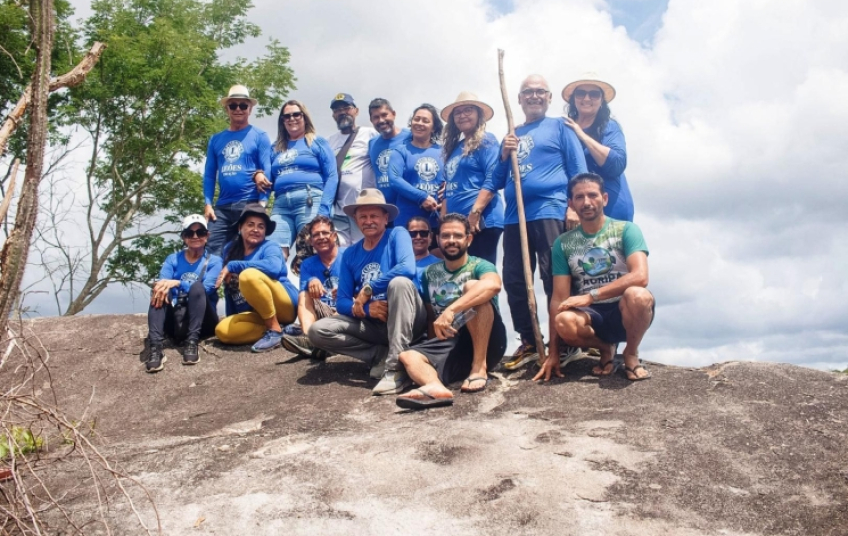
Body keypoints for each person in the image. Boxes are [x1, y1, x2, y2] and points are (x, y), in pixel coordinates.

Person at [494, 75, 588, 370]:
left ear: (548, 98)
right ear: (519, 99)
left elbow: (578, 169)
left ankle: (567, 341)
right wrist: (503, 153)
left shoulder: (560, 127)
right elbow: (497, 179)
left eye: (540, 92)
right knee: (515, 279)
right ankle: (530, 341)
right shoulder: (512, 132)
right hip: (515, 216)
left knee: (554, 277)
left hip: (550, 210)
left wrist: (573, 205)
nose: (534, 96)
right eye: (528, 92)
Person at [534, 173, 653, 383]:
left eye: (592, 195)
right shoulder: (563, 243)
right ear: (570, 204)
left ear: (604, 198)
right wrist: (553, 353)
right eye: (579, 197)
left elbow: (640, 276)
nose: (586, 202)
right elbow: (558, 298)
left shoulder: (626, 229)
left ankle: (631, 353)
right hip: (592, 317)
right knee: (564, 320)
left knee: (639, 295)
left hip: (624, 309)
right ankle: (605, 349)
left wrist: (592, 296)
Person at [308, 189, 426, 396]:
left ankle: (396, 368)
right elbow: (343, 302)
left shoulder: (397, 235)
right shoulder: (351, 254)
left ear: (385, 217)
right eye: (363, 216)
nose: (368, 221)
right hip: (375, 325)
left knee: (399, 283)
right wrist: (368, 309)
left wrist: (368, 290)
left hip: (407, 319)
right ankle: (378, 355)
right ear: (356, 219)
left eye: (374, 216)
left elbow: (408, 269)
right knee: (318, 330)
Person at [396, 213, 507, 409]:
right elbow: (432, 317)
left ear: (469, 239)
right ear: (437, 239)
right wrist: (431, 349)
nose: (451, 241)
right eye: (446, 236)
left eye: (457, 235)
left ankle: (479, 367)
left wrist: (452, 310)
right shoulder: (430, 273)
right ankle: (435, 387)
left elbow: (493, 285)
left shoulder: (480, 265)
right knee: (408, 356)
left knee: (473, 287)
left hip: (486, 338)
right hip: (451, 343)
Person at [257, 100, 339, 259]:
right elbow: (266, 181)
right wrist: (261, 205)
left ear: (304, 117)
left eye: (296, 114)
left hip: (309, 200)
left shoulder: (317, 142)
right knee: (273, 252)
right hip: (281, 205)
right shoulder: (275, 148)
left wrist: (323, 209)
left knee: (312, 252)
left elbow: (332, 176)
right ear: (282, 121)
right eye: (286, 116)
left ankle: (318, 284)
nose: (291, 118)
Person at [214, 204, 299, 353]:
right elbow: (230, 290)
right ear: (240, 228)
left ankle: (274, 331)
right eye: (250, 225)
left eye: (261, 226)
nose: (255, 229)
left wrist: (234, 265)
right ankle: (283, 330)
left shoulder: (270, 246)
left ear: (265, 231)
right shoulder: (230, 249)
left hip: (284, 304)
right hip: (258, 313)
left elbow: (273, 267)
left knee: (248, 275)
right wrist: (235, 319)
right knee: (222, 330)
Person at [144, 215, 223, 373]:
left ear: (207, 236)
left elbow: (207, 289)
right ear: (184, 237)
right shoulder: (173, 259)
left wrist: (179, 283)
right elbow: (163, 282)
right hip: (177, 317)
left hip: (203, 319)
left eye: (200, 232)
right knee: (159, 290)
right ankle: (155, 348)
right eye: (190, 233)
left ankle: (192, 342)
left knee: (198, 288)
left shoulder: (214, 261)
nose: (195, 237)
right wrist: (165, 286)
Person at [203, 85, 272, 255]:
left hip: (249, 203)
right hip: (222, 206)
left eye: (243, 105)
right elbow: (210, 174)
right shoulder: (216, 139)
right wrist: (208, 204)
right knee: (211, 249)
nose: (238, 109)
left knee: (248, 250)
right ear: (227, 109)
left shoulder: (260, 136)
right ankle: (211, 282)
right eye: (233, 105)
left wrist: (262, 204)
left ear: (250, 108)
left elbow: (267, 169)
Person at [441, 91, 504, 265]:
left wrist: (475, 213)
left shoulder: (486, 141)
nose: (462, 115)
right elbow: (448, 187)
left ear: (479, 114)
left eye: (468, 110)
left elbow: (494, 177)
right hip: (458, 225)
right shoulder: (455, 148)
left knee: (480, 274)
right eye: (458, 112)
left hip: (481, 222)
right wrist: (444, 219)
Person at [562, 73, 633, 222]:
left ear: (602, 100)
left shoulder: (610, 126)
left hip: (612, 211)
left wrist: (582, 135)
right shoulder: (564, 128)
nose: (587, 99)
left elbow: (617, 164)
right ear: (573, 99)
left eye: (593, 94)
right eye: (581, 93)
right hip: (578, 213)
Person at [282, 216, 344, 359]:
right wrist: (311, 280)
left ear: (334, 236)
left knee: (348, 299)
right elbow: (305, 298)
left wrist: (346, 291)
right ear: (310, 241)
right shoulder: (307, 264)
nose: (321, 237)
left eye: (325, 233)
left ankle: (320, 343)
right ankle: (310, 337)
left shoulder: (348, 255)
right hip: (324, 314)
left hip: (347, 311)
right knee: (304, 294)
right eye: (316, 235)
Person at [326, 93, 379, 247]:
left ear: (356, 111)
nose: (342, 112)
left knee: (365, 248)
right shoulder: (329, 141)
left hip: (363, 208)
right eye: (337, 110)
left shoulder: (370, 134)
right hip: (338, 211)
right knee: (340, 253)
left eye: (346, 108)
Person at [387, 104, 444, 228]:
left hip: (437, 220)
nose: (420, 123)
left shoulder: (444, 152)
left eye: (426, 121)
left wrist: (446, 194)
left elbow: (452, 179)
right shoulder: (400, 151)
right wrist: (422, 197)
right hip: (407, 221)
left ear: (433, 128)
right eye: (416, 119)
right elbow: (394, 180)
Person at [368, 98, 410, 207]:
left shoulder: (410, 137)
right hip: (385, 209)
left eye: (384, 115)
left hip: (410, 205)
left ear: (394, 114)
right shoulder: (372, 144)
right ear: (371, 120)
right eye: (376, 117)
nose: (381, 120)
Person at [407, 216, 440, 293]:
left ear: (430, 237)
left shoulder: (439, 265)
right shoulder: (397, 264)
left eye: (423, 233)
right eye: (413, 234)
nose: (418, 237)